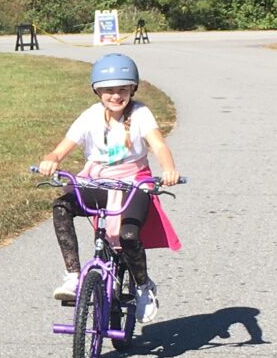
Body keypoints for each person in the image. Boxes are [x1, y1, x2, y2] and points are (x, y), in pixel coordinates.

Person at [34, 52, 182, 323]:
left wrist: (169, 168)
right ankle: (73, 276)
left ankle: (143, 287)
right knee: (61, 207)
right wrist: (52, 159)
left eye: (123, 89)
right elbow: (62, 148)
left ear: (132, 89)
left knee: (128, 235)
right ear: (97, 91)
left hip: (133, 183)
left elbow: (158, 145)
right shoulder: (91, 116)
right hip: (97, 181)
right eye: (109, 90)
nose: (116, 96)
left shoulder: (140, 114)